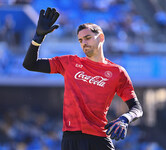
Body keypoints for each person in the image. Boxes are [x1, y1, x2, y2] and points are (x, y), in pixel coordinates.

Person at [23, 7, 143, 150]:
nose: (84, 43)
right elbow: (30, 64)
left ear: (101, 38)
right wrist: (38, 37)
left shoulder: (117, 72)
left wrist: (125, 119)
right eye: (80, 40)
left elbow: (137, 108)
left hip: (99, 138)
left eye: (87, 38)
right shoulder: (69, 62)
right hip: (70, 139)